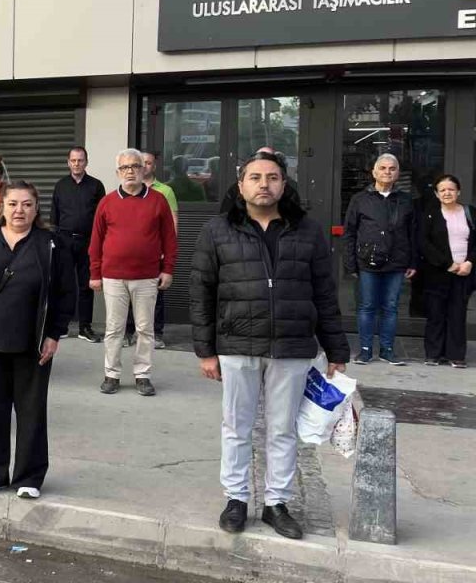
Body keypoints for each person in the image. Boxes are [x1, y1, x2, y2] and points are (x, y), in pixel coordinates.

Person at [190, 150, 350, 540]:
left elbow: (325, 293)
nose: (265, 184)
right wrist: (205, 349)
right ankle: (236, 499)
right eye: (256, 177)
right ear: (241, 185)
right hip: (237, 343)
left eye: (273, 177)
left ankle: (277, 503)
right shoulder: (218, 229)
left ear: (284, 184)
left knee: (282, 429)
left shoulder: (307, 230)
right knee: (236, 426)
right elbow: (201, 291)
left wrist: (337, 350)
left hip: (292, 345)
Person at [0, 181, 75, 499]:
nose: (19, 210)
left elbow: (66, 292)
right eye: (12, 204)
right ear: (2, 207)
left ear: (36, 209)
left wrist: (54, 333)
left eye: (26, 204)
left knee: (31, 410)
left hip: (33, 343)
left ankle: (29, 477)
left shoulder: (50, 244)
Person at [88, 149, 176, 397]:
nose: (130, 171)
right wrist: (95, 273)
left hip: (147, 276)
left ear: (143, 169)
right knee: (114, 328)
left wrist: (167, 269)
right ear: (118, 173)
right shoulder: (106, 202)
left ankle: (143, 375)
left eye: (135, 166)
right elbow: (96, 241)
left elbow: (170, 238)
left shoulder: (158, 200)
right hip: (113, 276)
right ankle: (112, 374)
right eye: (125, 167)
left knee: (145, 329)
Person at [344, 153, 416, 366]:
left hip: (397, 262)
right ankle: (365, 350)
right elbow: (350, 232)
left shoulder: (405, 200)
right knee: (367, 306)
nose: (387, 172)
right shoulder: (360, 199)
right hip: (368, 262)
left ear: (397, 173)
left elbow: (413, 233)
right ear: (374, 172)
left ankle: (387, 350)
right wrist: (350, 263)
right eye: (383, 168)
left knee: (390, 307)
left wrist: (412, 262)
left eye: (392, 168)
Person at [418, 175, 474, 368]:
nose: (447, 193)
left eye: (451, 189)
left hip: (464, 272)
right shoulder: (430, 214)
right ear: (436, 193)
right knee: (436, 313)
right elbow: (424, 243)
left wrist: (469, 262)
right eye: (442, 190)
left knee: (457, 313)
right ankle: (433, 354)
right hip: (437, 272)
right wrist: (447, 264)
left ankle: (456, 355)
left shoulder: (470, 212)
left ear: (458, 191)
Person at [124, 150, 178, 349]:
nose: (144, 166)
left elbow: (172, 225)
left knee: (157, 296)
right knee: (128, 295)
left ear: (153, 166)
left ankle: (156, 333)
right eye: (141, 163)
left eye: (148, 163)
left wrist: (167, 252)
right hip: (130, 256)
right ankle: (129, 332)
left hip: (155, 254)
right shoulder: (126, 189)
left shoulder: (165, 191)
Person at [51, 146, 105, 343]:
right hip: (64, 240)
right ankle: (62, 326)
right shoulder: (61, 185)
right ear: (68, 162)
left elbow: (101, 217)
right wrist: (53, 239)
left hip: (88, 241)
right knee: (64, 285)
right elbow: (54, 215)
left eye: (80, 160)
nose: (76, 164)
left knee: (86, 285)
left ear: (86, 162)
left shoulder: (96, 186)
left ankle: (85, 327)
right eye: (73, 160)